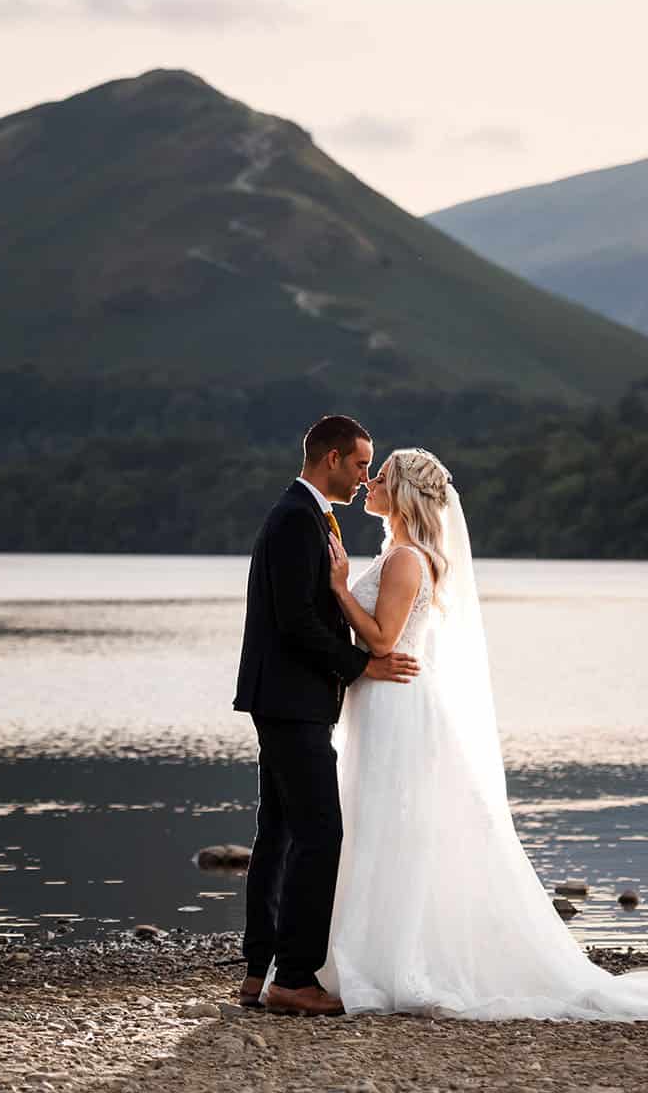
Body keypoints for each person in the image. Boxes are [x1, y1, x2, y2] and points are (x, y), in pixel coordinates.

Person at [315, 445, 648, 1022]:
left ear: (403, 492)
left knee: (391, 825)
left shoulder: (406, 559)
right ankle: (375, 953)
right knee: (383, 824)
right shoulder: (402, 553)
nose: (370, 485)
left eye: (380, 477)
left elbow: (382, 641)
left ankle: (393, 960)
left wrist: (336, 588)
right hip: (387, 700)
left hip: (398, 705)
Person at [232, 414, 419, 1017]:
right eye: (362, 464)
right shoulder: (295, 518)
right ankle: (293, 977)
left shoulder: (310, 516)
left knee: (281, 832)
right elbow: (297, 622)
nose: (366, 477)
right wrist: (361, 666)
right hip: (291, 700)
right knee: (320, 833)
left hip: (291, 698)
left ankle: (259, 968)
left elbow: (309, 614)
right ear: (332, 458)